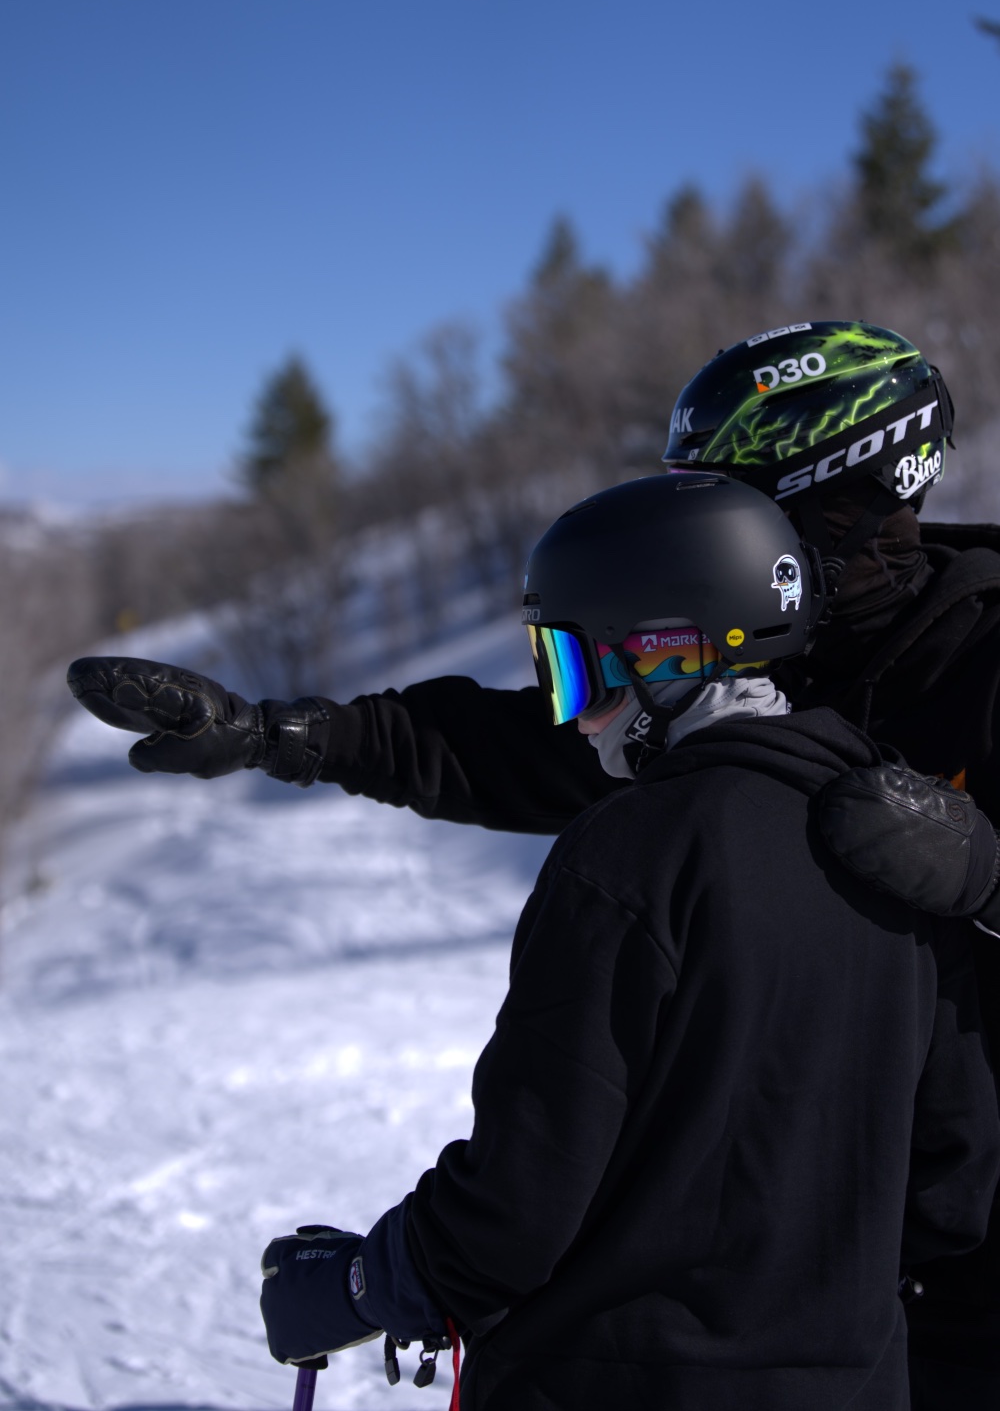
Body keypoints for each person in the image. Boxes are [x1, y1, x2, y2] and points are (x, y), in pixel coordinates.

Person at [66, 320, 1000, 1406]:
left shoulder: (975, 658)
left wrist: (985, 874)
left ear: (833, 494)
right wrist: (286, 733)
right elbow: (545, 738)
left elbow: (521, 1187)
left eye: (726, 500)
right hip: (838, 1277)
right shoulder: (745, 666)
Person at [254, 472, 1000, 1411]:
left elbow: (518, 1207)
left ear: (665, 656)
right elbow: (953, 1181)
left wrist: (363, 1282)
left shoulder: (631, 850)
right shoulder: (897, 840)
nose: (571, 716)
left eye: (573, 673)